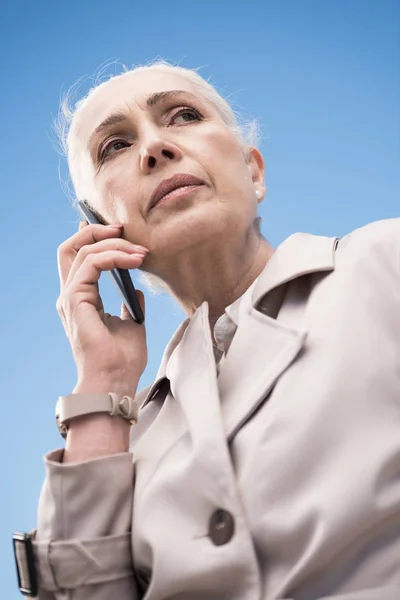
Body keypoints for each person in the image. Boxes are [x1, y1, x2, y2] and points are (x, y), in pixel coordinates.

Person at [14, 61, 400, 600]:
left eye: (183, 116)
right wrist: (103, 378)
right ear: (99, 229)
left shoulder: (386, 263)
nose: (154, 148)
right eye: (114, 147)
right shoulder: (127, 433)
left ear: (254, 171)